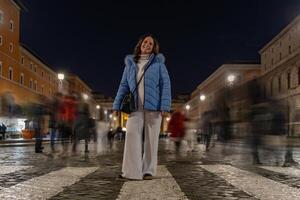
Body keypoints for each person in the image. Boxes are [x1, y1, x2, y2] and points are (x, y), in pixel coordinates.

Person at [113, 34, 171, 180]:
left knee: (151, 140)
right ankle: (131, 172)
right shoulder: (130, 65)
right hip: (135, 107)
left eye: (150, 44)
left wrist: (165, 105)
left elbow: (166, 85)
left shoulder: (159, 64)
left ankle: (148, 171)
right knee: (132, 136)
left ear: (153, 48)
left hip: (155, 107)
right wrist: (116, 104)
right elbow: (123, 86)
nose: (147, 45)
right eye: (145, 42)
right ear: (140, 44)